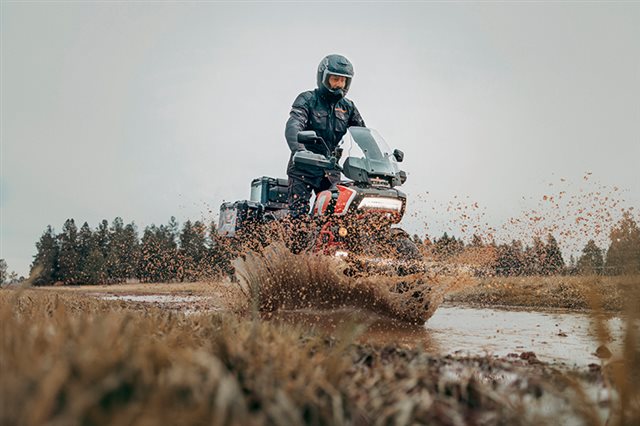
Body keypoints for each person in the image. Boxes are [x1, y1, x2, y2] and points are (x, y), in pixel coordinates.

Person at [284, 54, 366, 219]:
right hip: (303, 167)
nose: (339, 84)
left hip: (330, 170)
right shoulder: (307, 99)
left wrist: (377, 161)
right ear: (323, 77)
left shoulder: (348, 107)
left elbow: (362, 134)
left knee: (336, 214)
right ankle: (294, 243)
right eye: (335, 79)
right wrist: (300, 150)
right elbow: (294, 124)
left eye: (343, 81)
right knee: (298, 217)